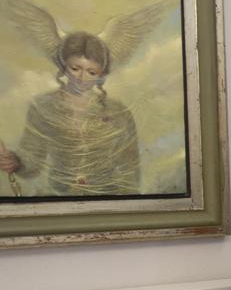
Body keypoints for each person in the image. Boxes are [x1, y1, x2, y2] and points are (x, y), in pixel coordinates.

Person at [0, 31, 140, 195]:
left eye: (91, 72)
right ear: (63, 66)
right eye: (75, 68)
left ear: (101, 74)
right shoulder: (43, 107)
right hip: (59, 199)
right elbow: (32, 159)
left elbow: (129, 169)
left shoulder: (118, 112)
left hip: (108, 200)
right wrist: (15, 162)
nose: (82, 78)